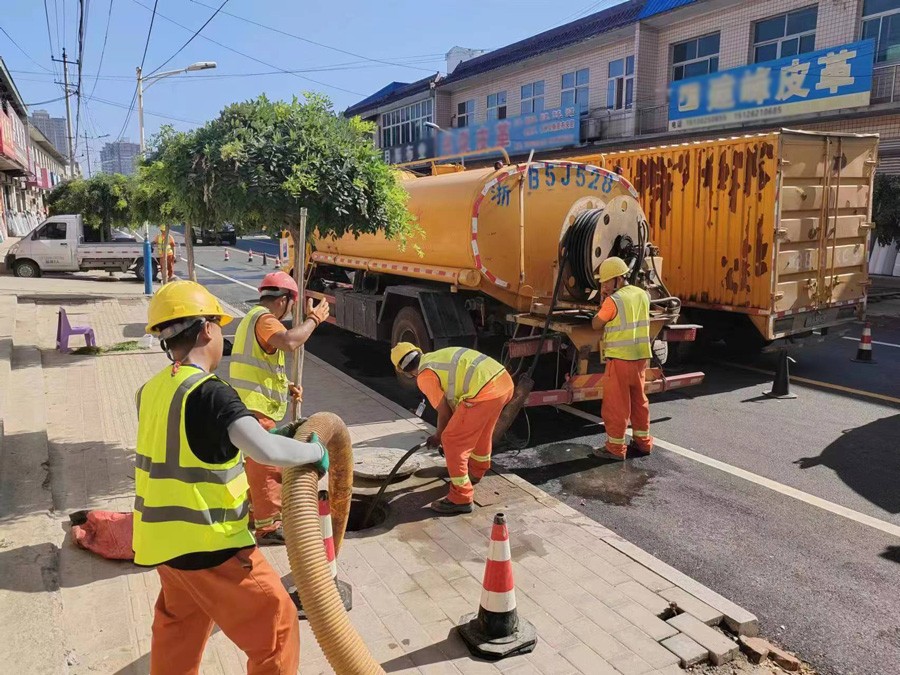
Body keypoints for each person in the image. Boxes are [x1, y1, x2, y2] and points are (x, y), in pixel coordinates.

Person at [134, 280, 329, 674]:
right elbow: (267, 452)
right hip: (212, 545)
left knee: (179, 633)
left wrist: (263, 435)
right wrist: (315, 452)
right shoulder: (211, 393)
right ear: (206, 329)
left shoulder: (150, 389)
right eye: (219, 328)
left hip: (164, 543)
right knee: (277, 626)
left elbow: (196, 442)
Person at [229, 271, 330, 545]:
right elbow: (289, 342)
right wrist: (314, 319)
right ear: (284, 300)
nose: (289, 313)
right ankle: (269, 525)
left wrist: (286, 386)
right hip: (256, 410)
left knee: (256, 465)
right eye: (291, 306)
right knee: (267, 467)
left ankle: (255, 513)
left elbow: (261, 366)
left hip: (248, 406)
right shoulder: (264, 319)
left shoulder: (250, 320)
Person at [390, 343, 514, 514]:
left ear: (403, 371)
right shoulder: (436, 357)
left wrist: (439, 436)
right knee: (481, 433)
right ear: (419, 351)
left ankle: (461, 497)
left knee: (452, 441)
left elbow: (444, 411)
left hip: (484, 391)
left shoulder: (424, 376)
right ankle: (476, 471)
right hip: (503, 383)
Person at [591, 256, 653, 460]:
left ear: (618, 279)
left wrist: (603, 300)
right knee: (639, 401)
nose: (605, 285)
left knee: (616, 405)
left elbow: (596, 325)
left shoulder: (613, 300)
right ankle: (643, 443)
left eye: (606, 281)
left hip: (619, 359)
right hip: (640, 358)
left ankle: (615, 449)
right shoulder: (643, 294)